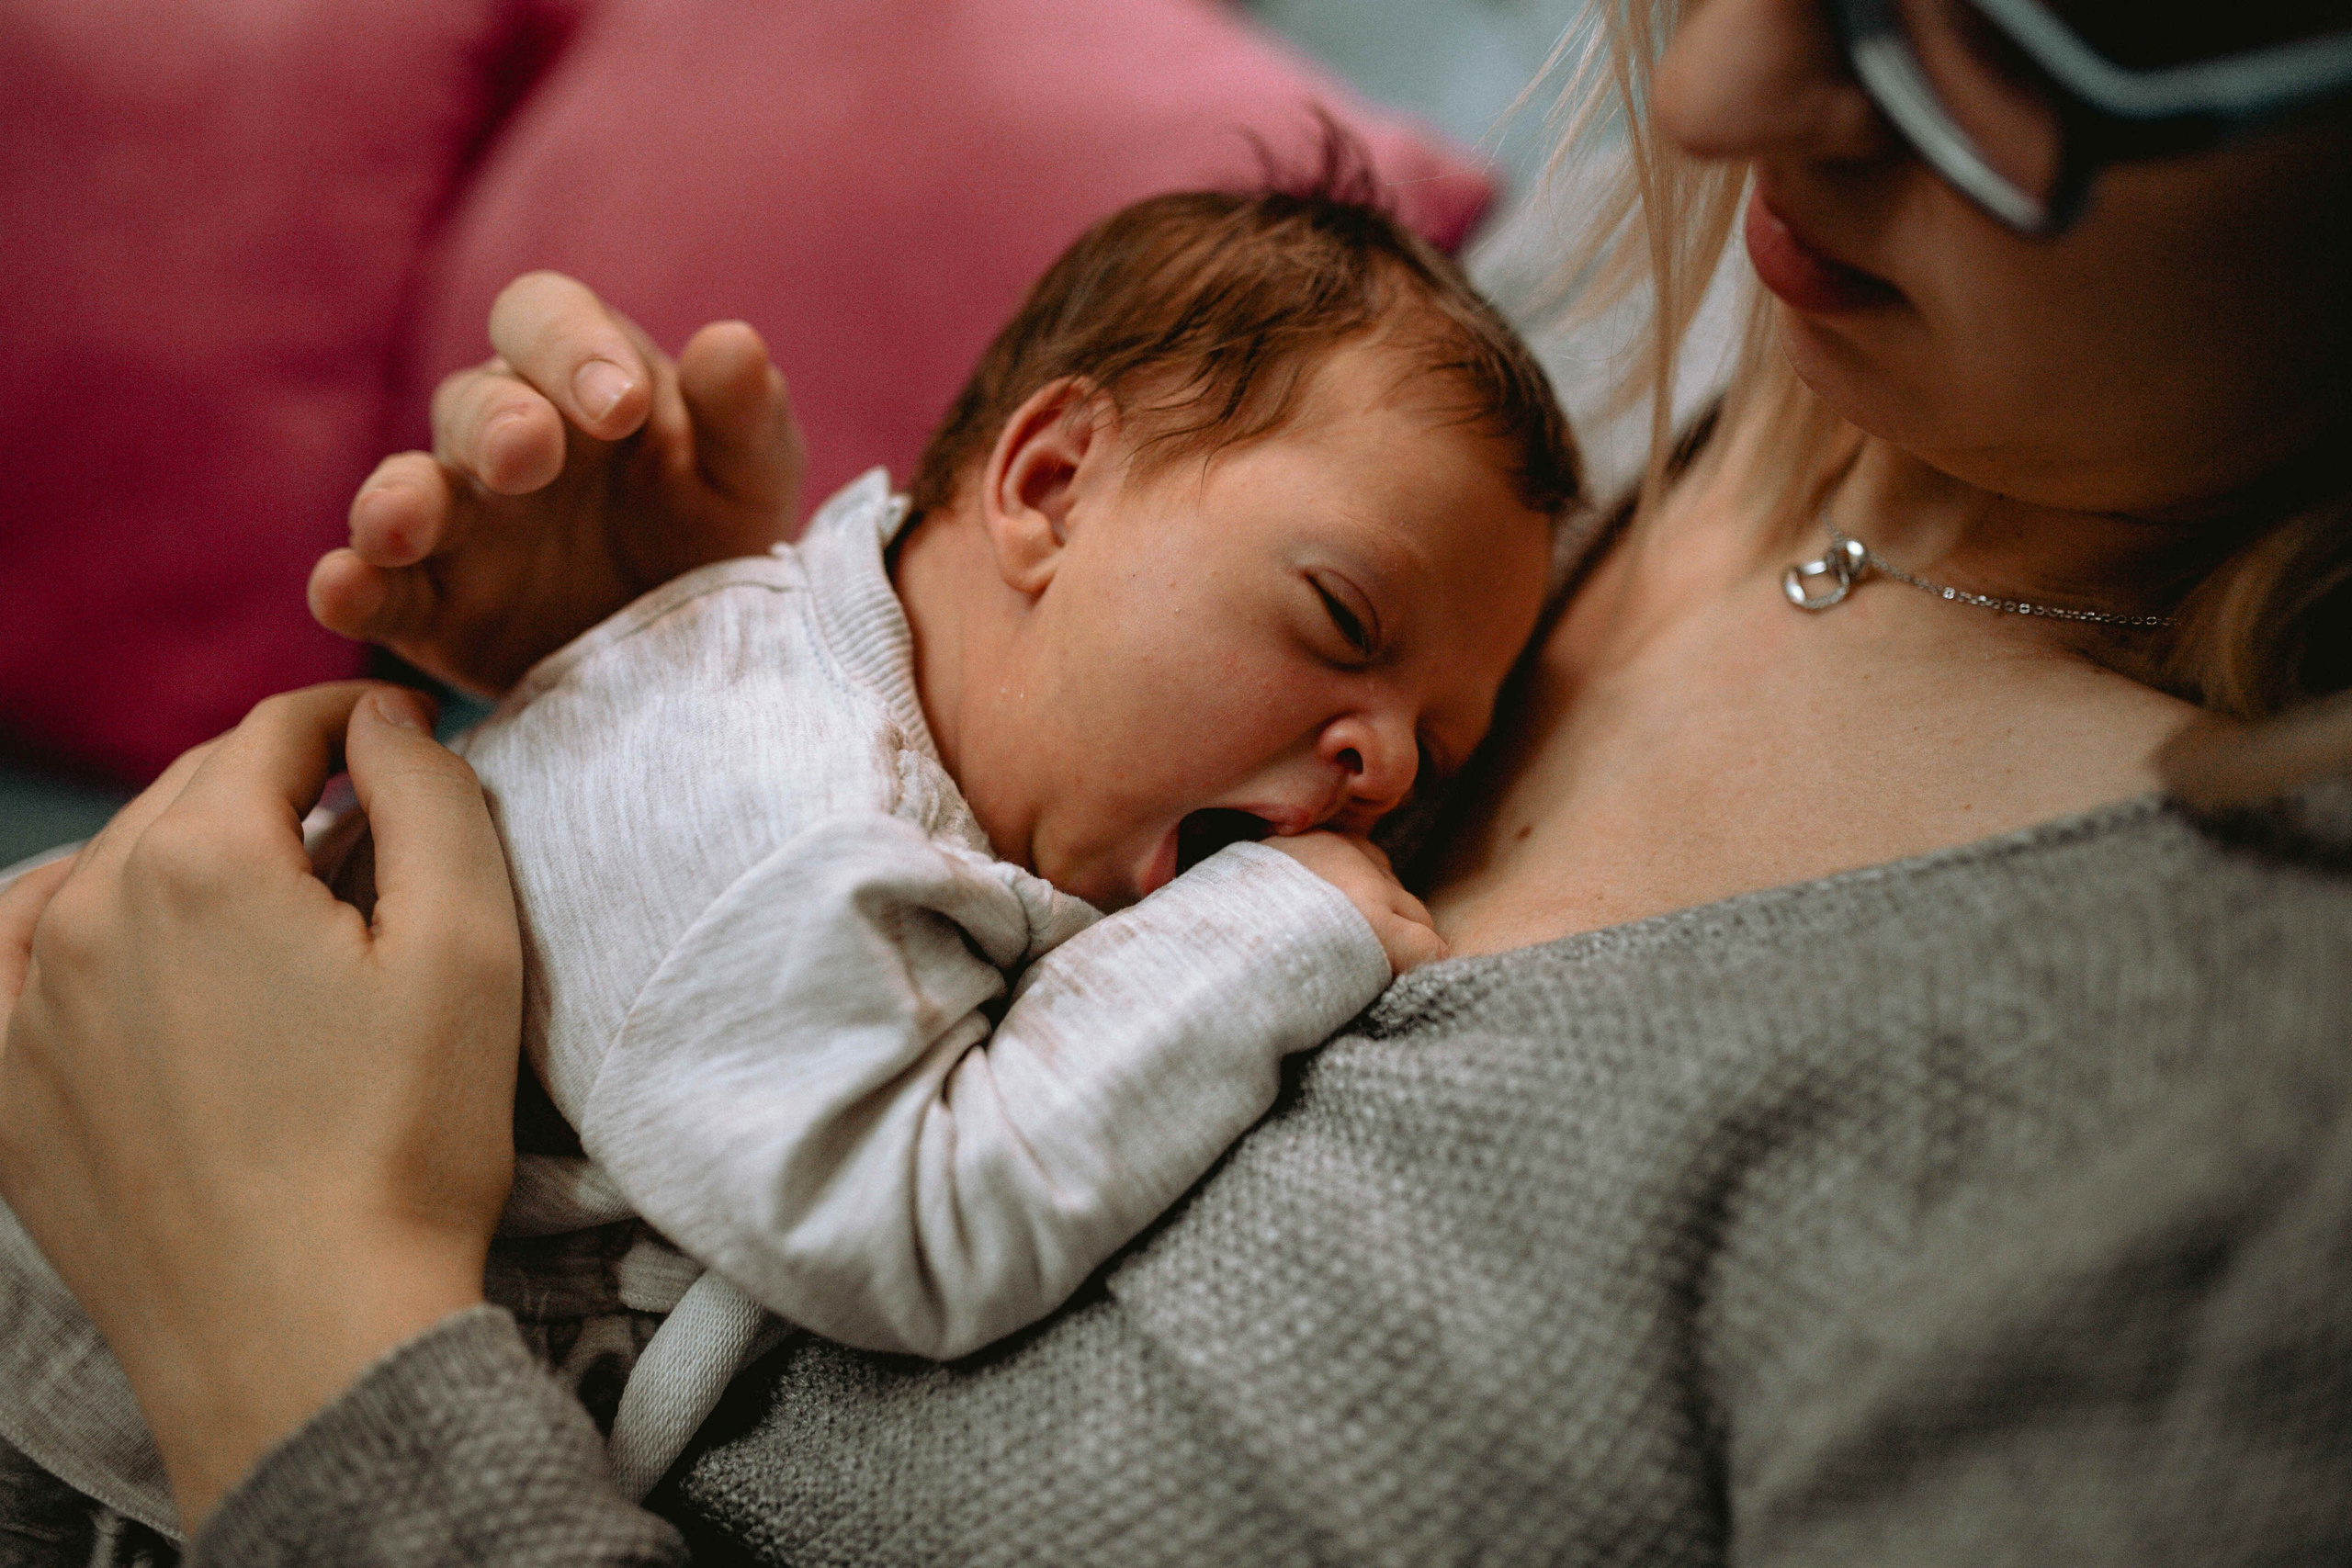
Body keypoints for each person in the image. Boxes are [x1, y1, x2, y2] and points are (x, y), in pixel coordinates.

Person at [6, 0, 2352, 1562]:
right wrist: (688, 688)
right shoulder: (1665, 331)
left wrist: (302, 1336)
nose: (1722, 88)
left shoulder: (2243, 1149)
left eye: (2042, 20)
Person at [0, 184, 1567, 1534]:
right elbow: (915, 1224)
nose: (1383, 770)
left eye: (1435, 755)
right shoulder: (787, 816)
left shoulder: (852, 725)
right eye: (1344, 623)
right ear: (1050, 487)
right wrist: (1268, 931)